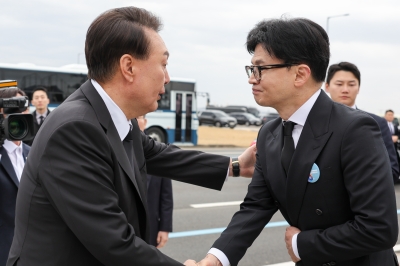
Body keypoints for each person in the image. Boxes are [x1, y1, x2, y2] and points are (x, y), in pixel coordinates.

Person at [7, 7, 256, 266]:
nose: (168, 78)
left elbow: (159, 154)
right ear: (128, 67)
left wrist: (235, 166)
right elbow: (113, 241)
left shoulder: (113, 118)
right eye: (163, 64)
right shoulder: (74, 129)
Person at [190, 17, 398, 266]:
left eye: (260, 69)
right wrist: (216, 259)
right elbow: (256, 206)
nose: (252, 78)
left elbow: (379, 229)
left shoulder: (355, 130)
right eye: (251, 69)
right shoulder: (269, 134)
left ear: (300, 74)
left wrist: (303, 244)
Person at [325, 62, 399, 183]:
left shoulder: (376, 123)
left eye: (351, 84)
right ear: (327, 86)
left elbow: (392, 170)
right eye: (339, 84)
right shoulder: (314, 122)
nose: (345, 89)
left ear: (358, 88)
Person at [0, 87, 31, 266]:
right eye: (13, 109)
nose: (20, 114)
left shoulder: (34, 153)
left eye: (24, 108)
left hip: (32, 253)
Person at [137, 115, 173, 248]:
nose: (135, 122)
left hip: (150, 226)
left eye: (138, 118)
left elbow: (166, 197)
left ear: (145, 122)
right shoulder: (116, 148)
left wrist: (164, 228)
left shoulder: (158, 151)